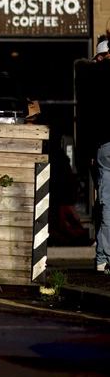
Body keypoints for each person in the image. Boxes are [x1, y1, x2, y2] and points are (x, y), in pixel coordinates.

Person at [77, 37, 110, 274]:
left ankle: (103, 257)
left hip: (105, 145)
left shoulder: (93, 76)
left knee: (106, 201)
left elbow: (87, 117)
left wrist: (86, 152)